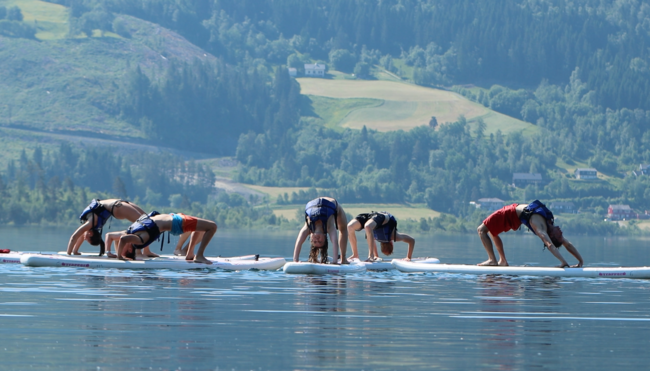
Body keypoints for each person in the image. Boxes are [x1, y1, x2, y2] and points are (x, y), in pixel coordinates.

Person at [477, 200, 583, 268]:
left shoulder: (540, 228)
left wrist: (563, 262)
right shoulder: (550, 224)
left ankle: (492, 260)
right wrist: (580, 261)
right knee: (492, 231)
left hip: (509, 213)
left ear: (552, 236)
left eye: (559, 236)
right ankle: (502, 261)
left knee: (481, 230)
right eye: (561, 235)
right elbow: (568, 244)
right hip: (514, 215)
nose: (561, 232)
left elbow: (550, 245)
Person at [67, 199, 158, 258]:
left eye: (85, 238)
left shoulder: (91, 223)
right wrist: (74, 252)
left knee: (147, 222)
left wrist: (69, 253)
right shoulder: (91, 224)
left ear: (90, 233)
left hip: (119, 206)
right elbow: (80, 236)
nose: (84, 237)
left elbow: (75, 236)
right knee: (147, 225)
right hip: (120, 205)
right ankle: (143, 251)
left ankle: (145, 251)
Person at [116, 212, 217, 264]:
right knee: (212, 227)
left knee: (202, 226)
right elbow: (123, 239)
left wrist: (119, 255)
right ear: (130, 248)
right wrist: (119, 256)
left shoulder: (134, 230)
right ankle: (199, 256)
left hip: (175, 218)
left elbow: (122, 238)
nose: (123, 245)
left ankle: (190, 254)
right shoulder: (139, 239)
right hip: (177, 222)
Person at [293, 197, 349, 264]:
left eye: (315, 241)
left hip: (315, 202)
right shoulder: (329, 227)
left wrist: (295, 260)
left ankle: (343, 258)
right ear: (325, 237)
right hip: (332, 203)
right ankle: (343, 258)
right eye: (320, 241)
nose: (317, 239)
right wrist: (334, 262)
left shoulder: (308, 227)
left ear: (311, 237)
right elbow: (334, 242)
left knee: (343, 228)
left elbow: (299, 242)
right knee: (343, 228)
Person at [347, 211, 415, 262]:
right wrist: (408, 257)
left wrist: (376, 256)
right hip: (382, 217)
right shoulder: (392, 236)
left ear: (391, 243)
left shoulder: (374, 236)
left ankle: (358, 255)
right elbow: (412, 240)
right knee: (367, 227)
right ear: (391, 242)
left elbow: (412, 241)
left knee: (350, 227)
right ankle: (368, 256)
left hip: (371, 217)